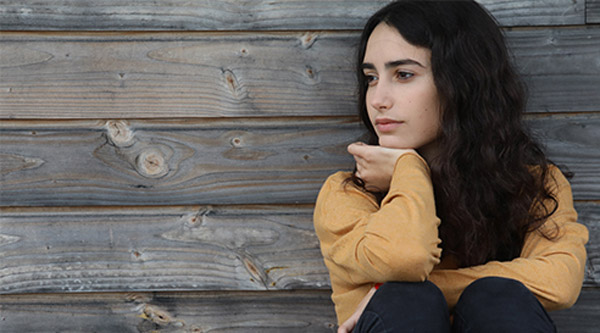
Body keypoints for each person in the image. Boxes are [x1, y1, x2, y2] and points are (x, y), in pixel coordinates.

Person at [312, 1, 589, 332]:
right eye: (371, 77)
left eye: (403, 74)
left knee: (497, 298)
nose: (377, 98)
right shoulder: (346, 195)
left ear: (461, 82)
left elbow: (560, 281)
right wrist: (409, 170)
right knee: (407, 300)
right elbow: (408, 257)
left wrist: (388, 291)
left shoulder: (535, 184)